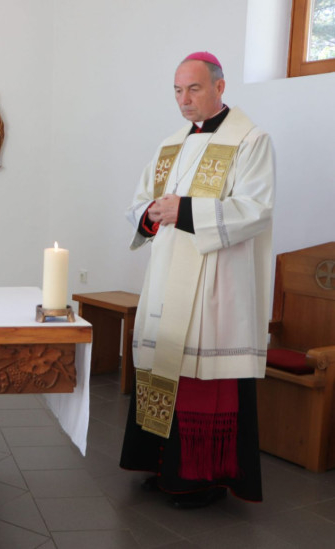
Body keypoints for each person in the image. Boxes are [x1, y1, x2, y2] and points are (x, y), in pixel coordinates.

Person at [119, 52, 274, 508]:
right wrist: (150, 213)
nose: (184, 99)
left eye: (194, 89)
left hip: (215, 284)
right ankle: (162, 466)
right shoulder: (170, 145)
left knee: (202, 378)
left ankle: (201, 477)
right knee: (162, 366)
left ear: (219, 87)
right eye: (177, 90)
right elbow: (140, 200)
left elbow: (256, 209)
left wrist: (183, 210)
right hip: (167, 277)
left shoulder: (250, 141)